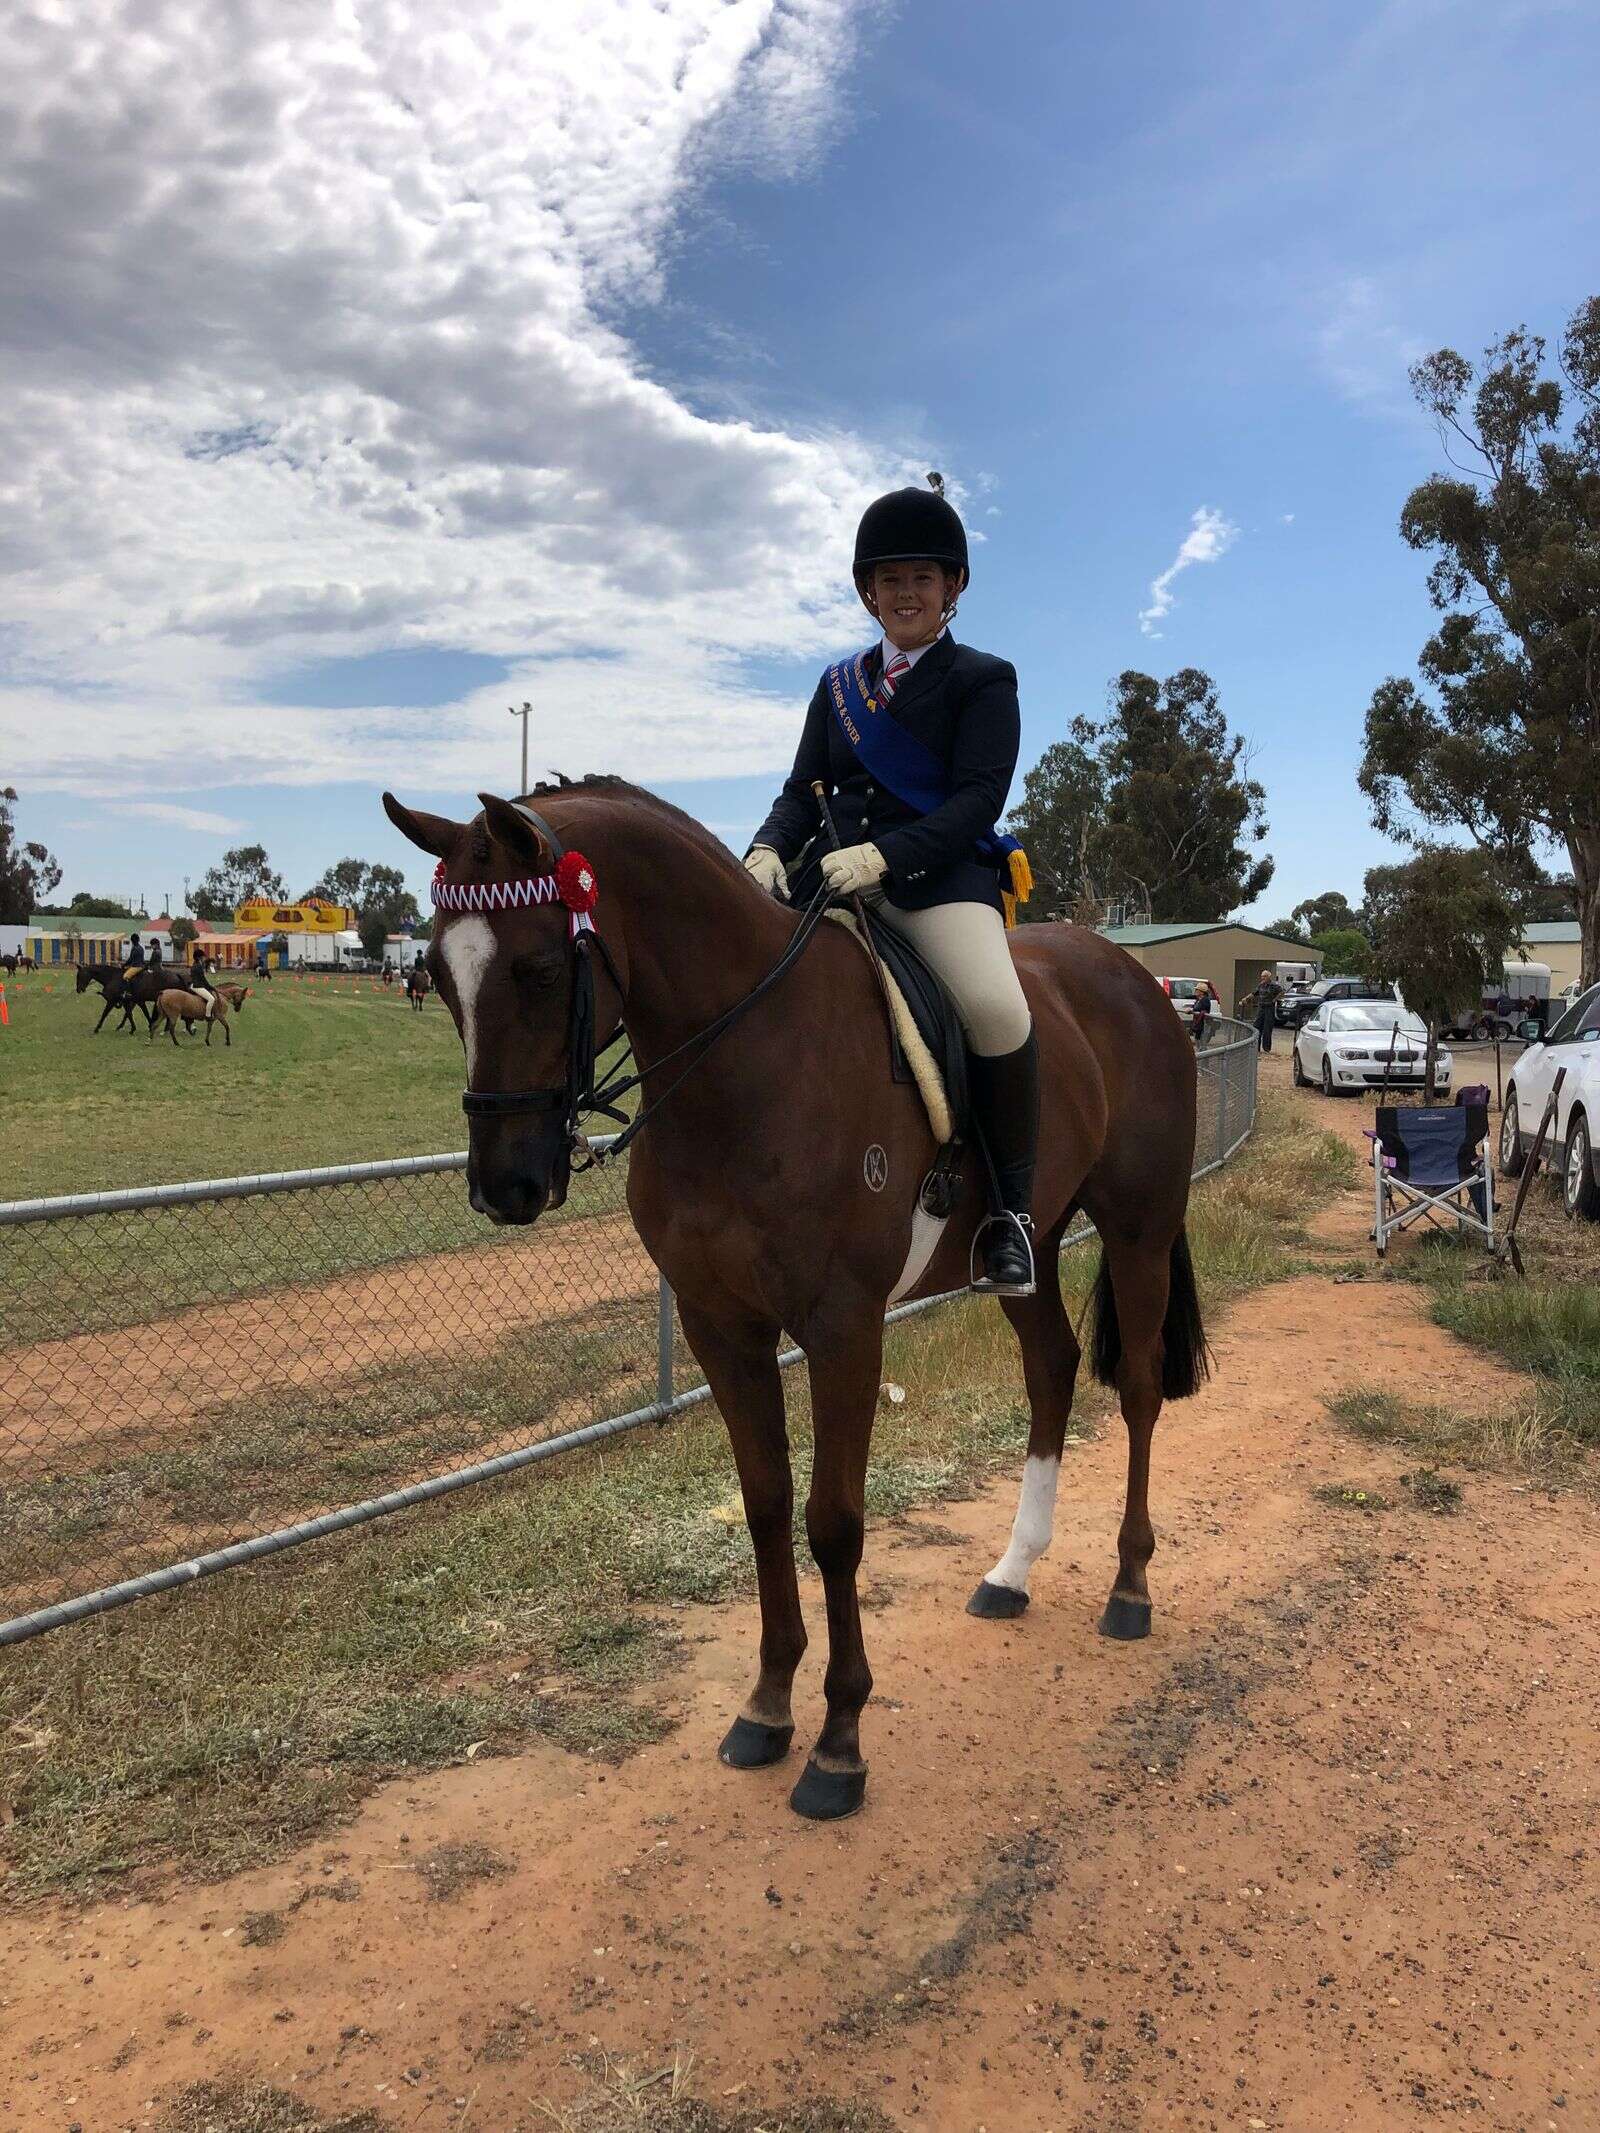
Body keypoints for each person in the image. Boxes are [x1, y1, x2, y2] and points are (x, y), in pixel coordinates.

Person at [744, 479, 1038, 1294]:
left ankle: (1011, 1213)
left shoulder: (983, 679)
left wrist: (886, 858)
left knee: (994, 1008)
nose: (905, 593)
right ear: (868, 591)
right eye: (890, 579)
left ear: (952, 589)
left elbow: (980, 798)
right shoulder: (837, 687)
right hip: (831, 881)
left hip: (937, 886)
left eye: (922, 578)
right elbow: (802, 787)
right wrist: (768, 849)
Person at [1242, 968, 1281, 1053]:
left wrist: (1275, 1000)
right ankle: (1256, 1048)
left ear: (1268, 977)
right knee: (1256, 1027)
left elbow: (1282, 992)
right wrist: (1246, 999)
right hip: (1261, 1008)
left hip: (1269, 1008)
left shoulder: (1274, 985)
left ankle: (1266, 1049)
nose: (1262, 978)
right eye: (1262, 976)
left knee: (1267, 1029)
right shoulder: (1260, 985)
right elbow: (1254, 993)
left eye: (1264, 976)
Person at [1190, 980, 1215, 1048]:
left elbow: (1201, 1008)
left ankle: (1203, 1056)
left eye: (1197, 990)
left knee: (1202, 1043)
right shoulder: (1198, 1000)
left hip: (1203, 1024)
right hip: (1198, 1023)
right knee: (1198, 1042)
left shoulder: (1205, 1000)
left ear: (1201, 992)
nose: (1195, 991)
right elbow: (1195, 1008)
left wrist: (1192, 1010)